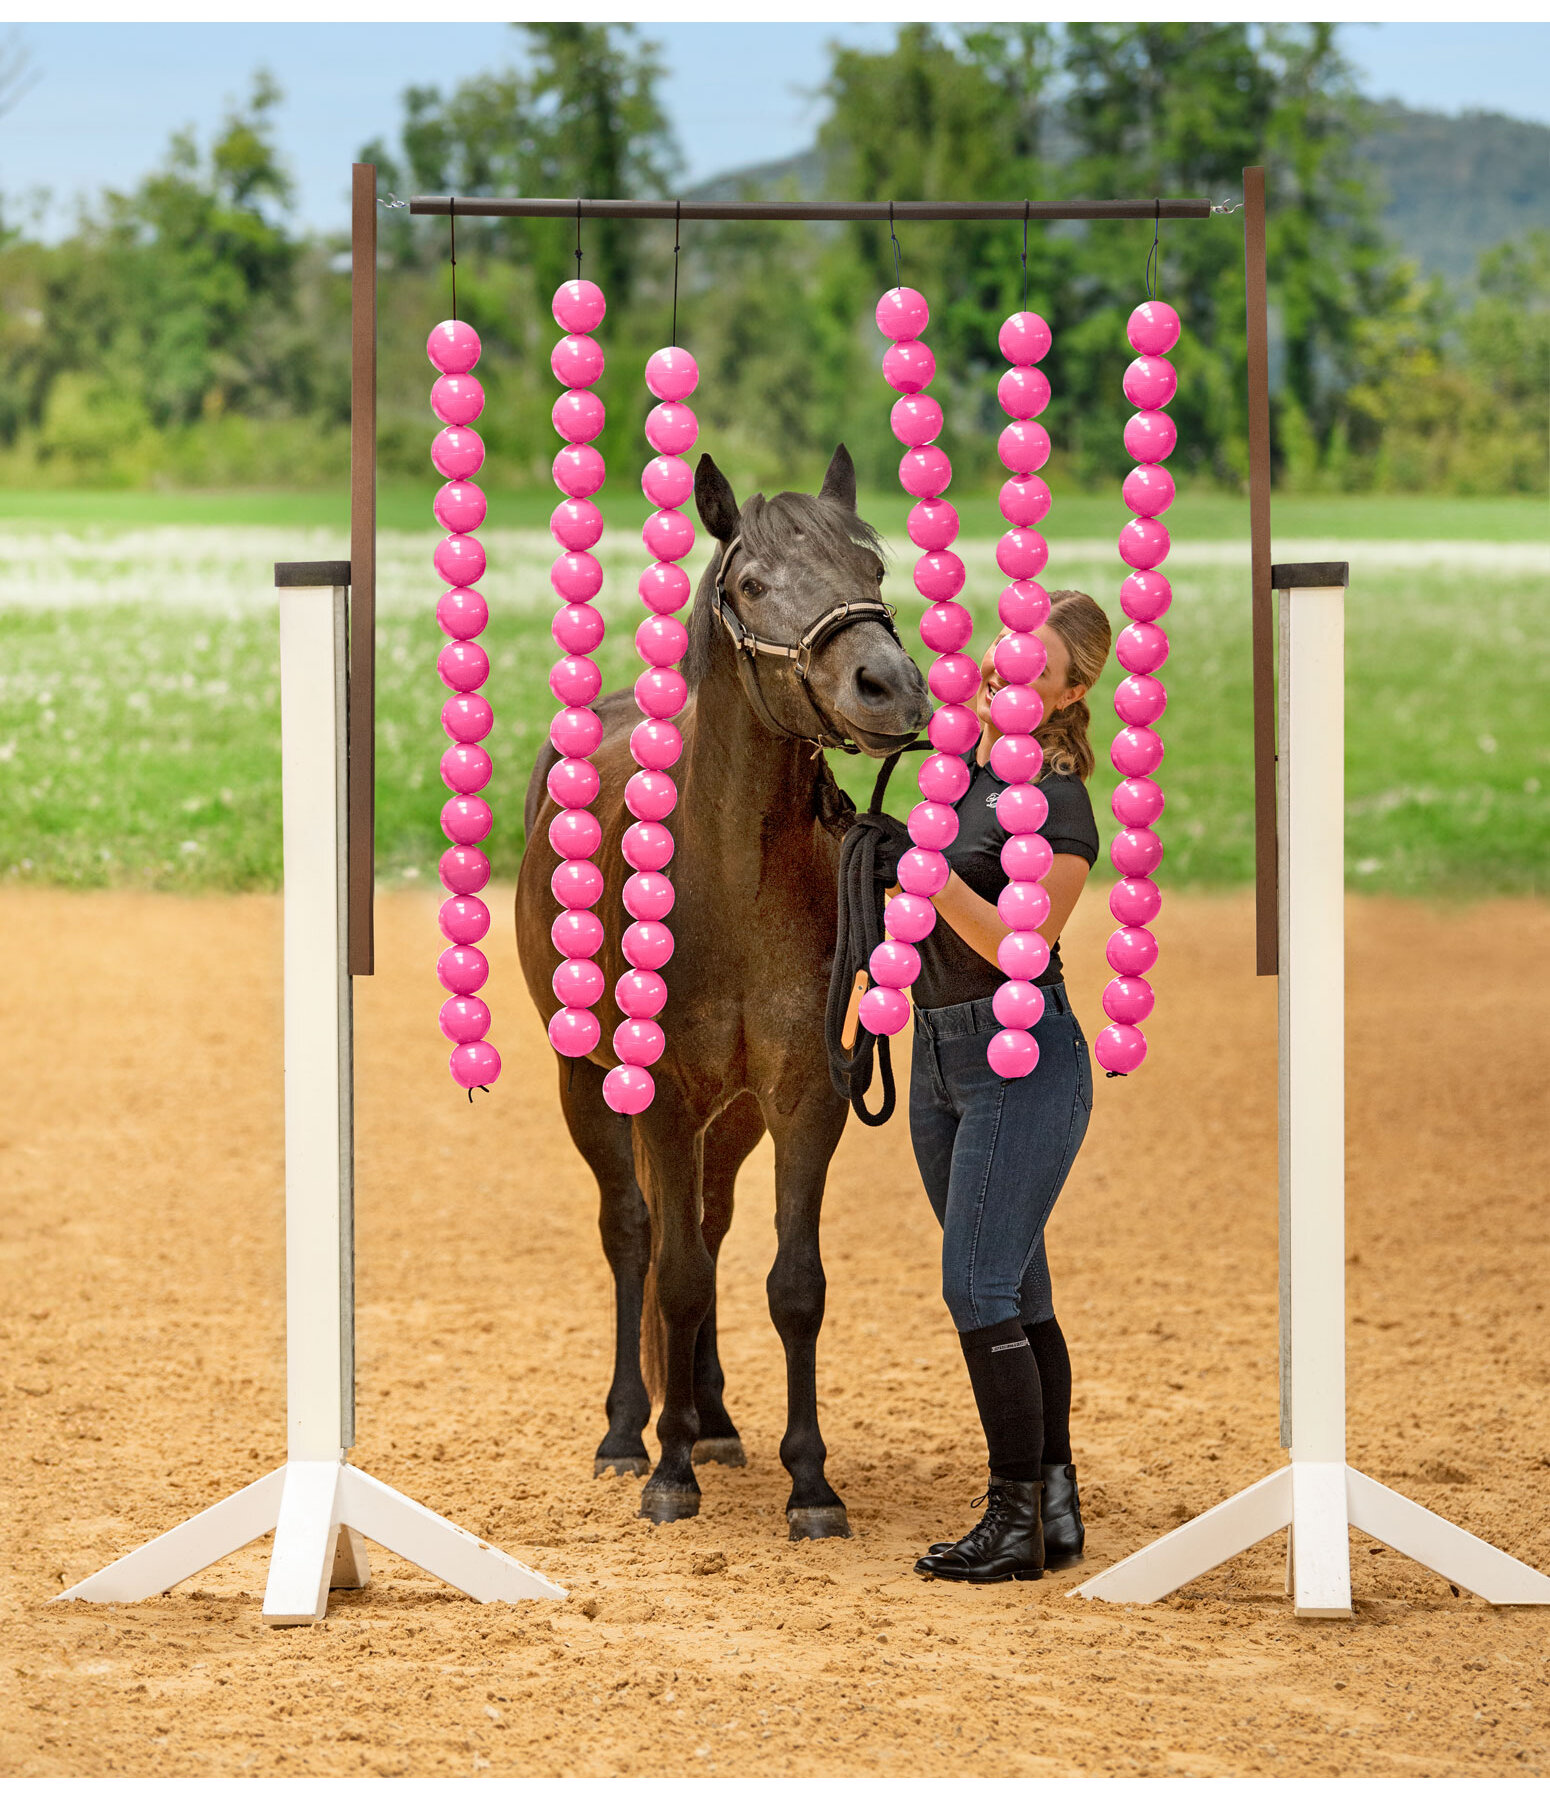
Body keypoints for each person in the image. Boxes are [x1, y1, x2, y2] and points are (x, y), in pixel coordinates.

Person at [882, 590, 1112, 1584]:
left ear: (1070, 688)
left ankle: (1012, 1519)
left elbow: (1021, 944)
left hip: (1020, 1060)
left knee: (973, 1285)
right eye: (1002, 649)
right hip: (937, 1059)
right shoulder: (964, 770)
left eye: (1034, 663)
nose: (1002, 669)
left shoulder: (1054, 803)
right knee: (1013, 1287)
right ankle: (1050, 1508)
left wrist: (923, 872)